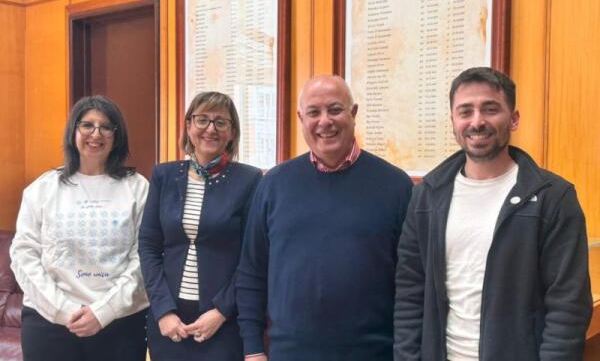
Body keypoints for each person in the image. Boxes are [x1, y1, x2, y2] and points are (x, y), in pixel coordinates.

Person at [393, 67, 592, 361]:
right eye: (465, 111)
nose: (477, 121)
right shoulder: (426, 196)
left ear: (514, 119)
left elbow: (568, 305)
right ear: (453, 122)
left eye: (490, 109)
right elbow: (410, 292)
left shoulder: (553, 198)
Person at [236, 75, 413, 361]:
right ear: (301, 118)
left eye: (335, 109)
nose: (324, 121)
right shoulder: (273, 185)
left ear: (353, 113)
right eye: (314, 112)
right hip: (289, 354)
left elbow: (411, 286)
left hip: (373, 354)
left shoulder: (396, 186)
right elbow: (251, 274)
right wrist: (253, 350)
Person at [10, 95, 149, 361]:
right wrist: (64, 310)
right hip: (49, 322)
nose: (96, 134)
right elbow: (23, 255)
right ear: (73, 131)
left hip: (120, 323)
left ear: (117, 136)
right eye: (87, 125)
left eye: (106, 127)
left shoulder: (137, 187)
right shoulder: (43, 188)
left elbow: (145, 256)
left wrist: (103, 312)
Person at [138, 91, 262, 361]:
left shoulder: (250, 180)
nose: (210, 129)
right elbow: (148, 246)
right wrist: (163, 310)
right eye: (202, 119)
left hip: (224, 322)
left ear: (232, 132)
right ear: (188, 125)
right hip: (169, 323)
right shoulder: (163, 175)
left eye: (221, 122)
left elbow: (252, 257)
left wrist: (222, 311)